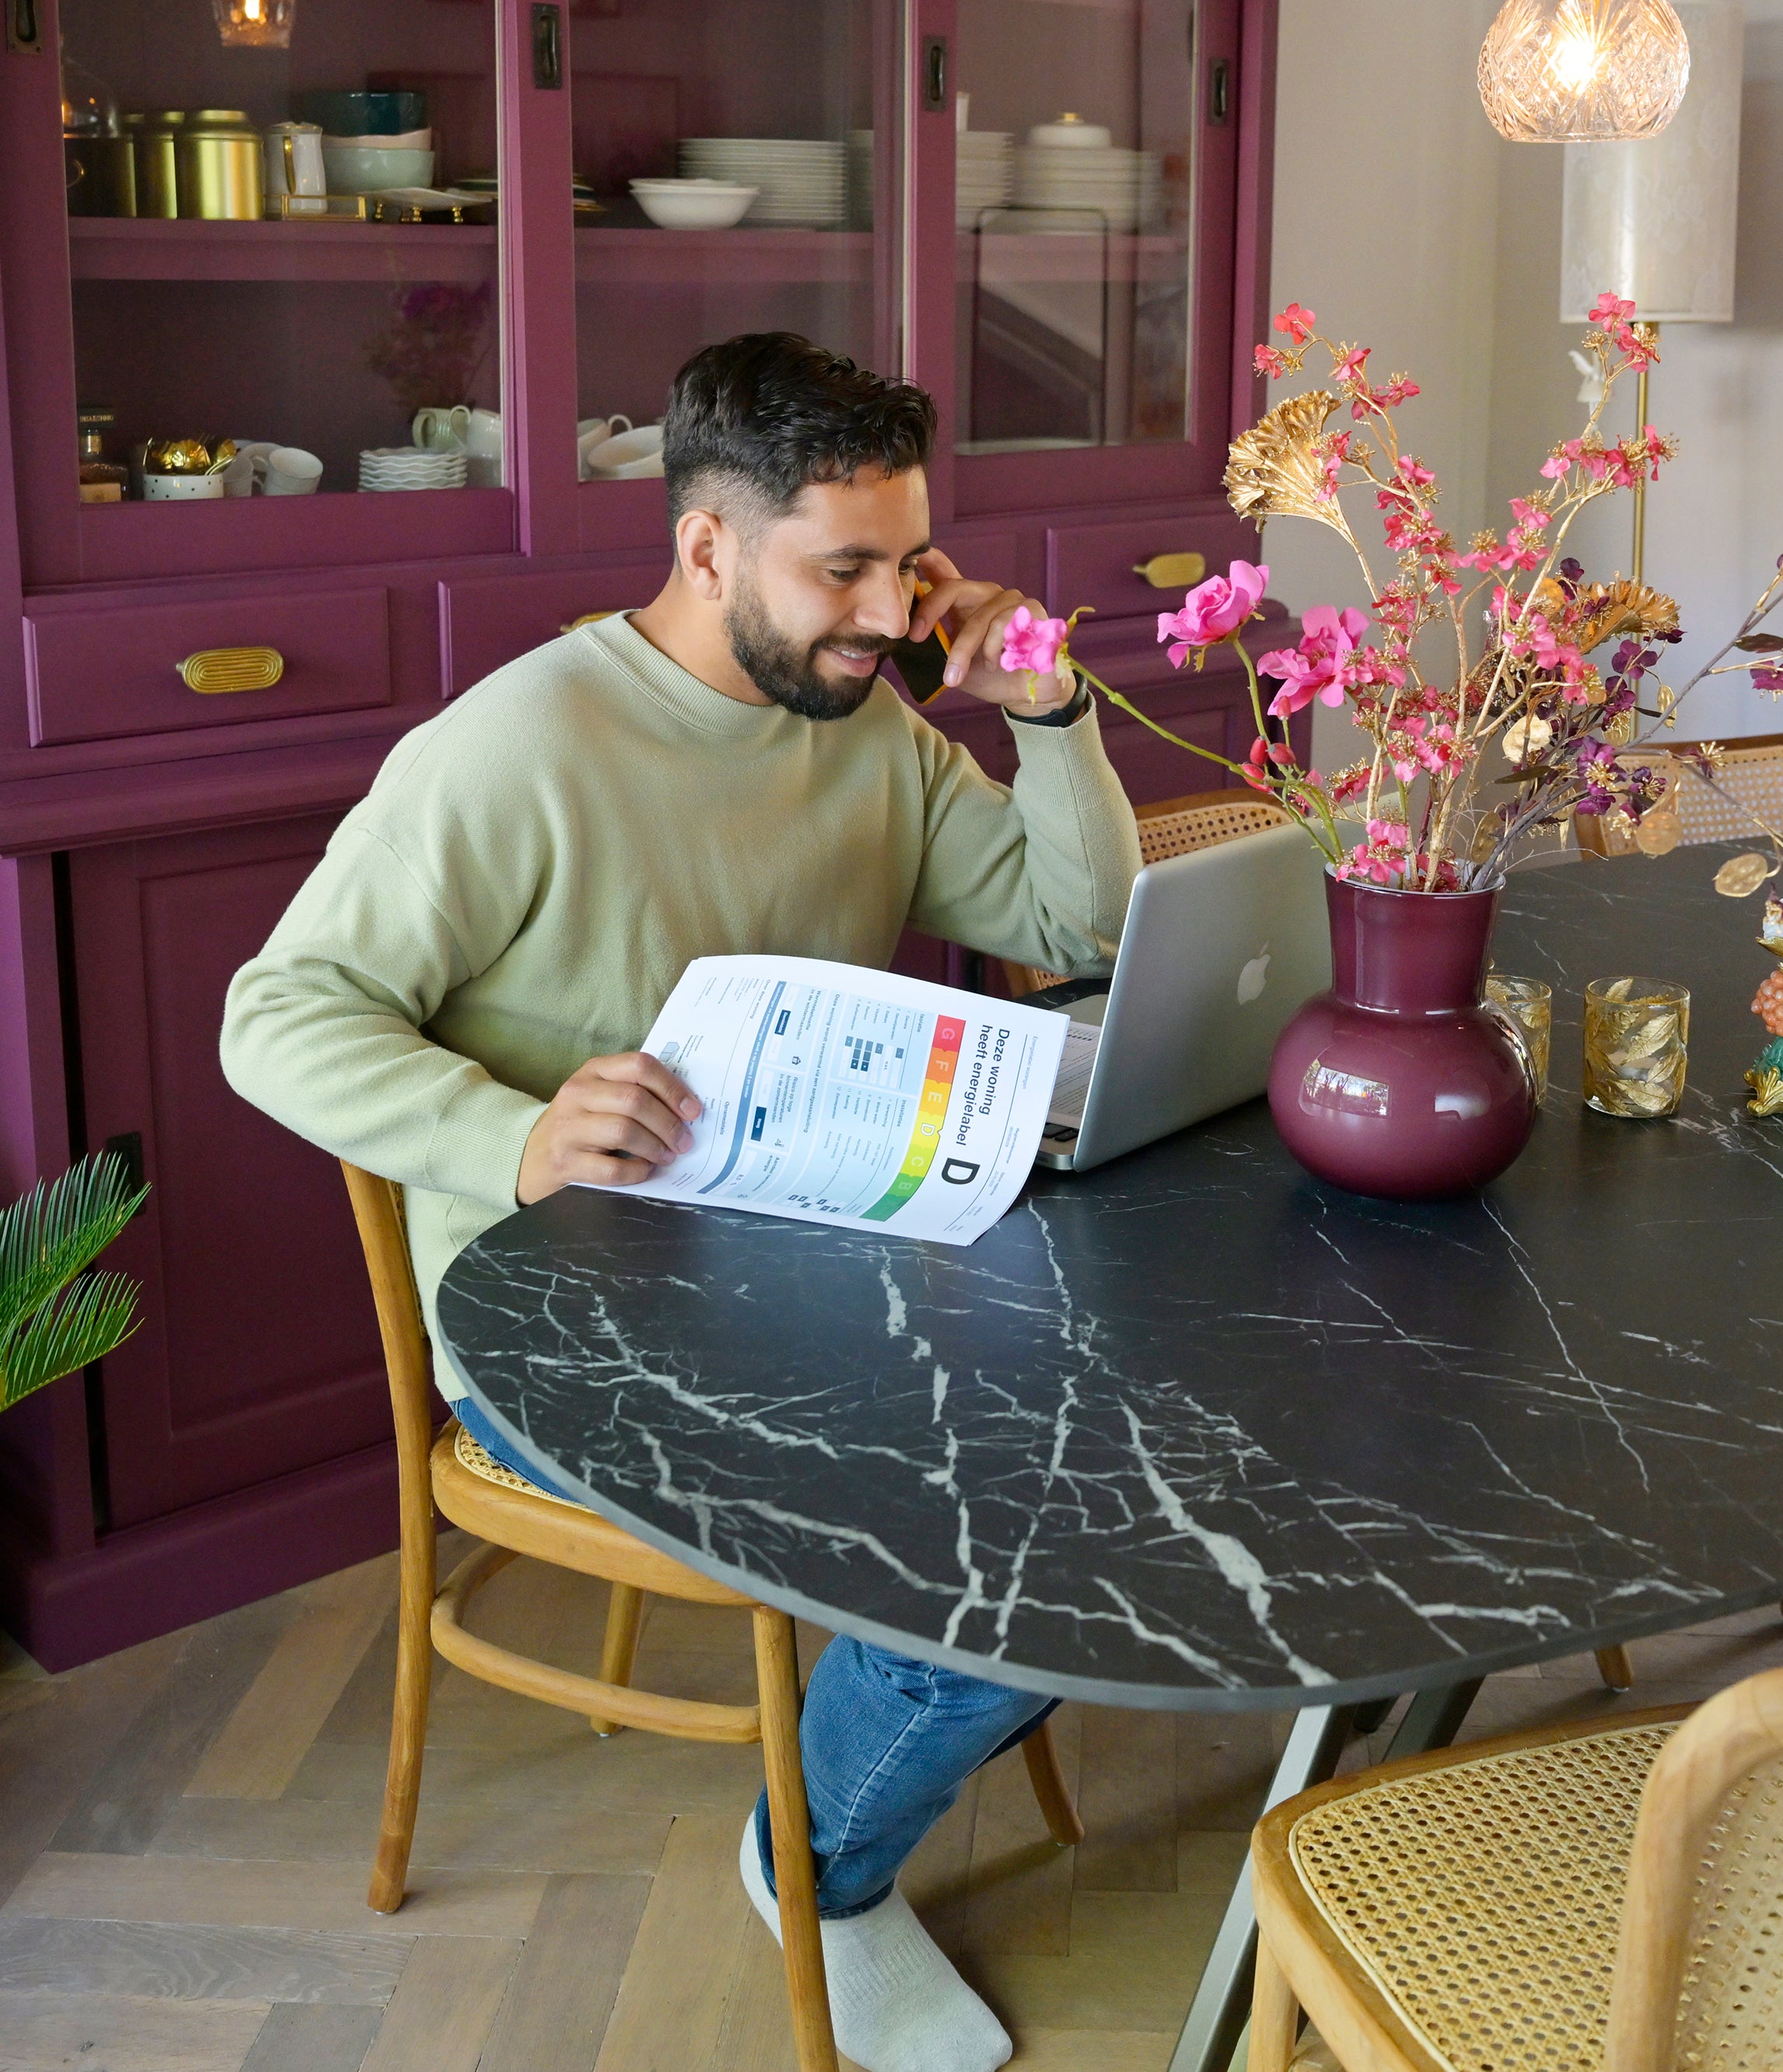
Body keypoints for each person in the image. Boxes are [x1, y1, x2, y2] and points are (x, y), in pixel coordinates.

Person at [222, 333, 1135, 2072]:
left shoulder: (868, 722)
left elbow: (1078, 932)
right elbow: (271, 1016)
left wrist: (1050, 713)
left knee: (1123, 1473)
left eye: (910, 561)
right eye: (843, 568)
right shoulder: (511, 748)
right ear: (710, 548)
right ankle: (822, 1868)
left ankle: (843, 1786)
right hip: (559, 1320)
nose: (890, 613)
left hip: (822, 1255)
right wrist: (511, 1133)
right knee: (1011, 1562)